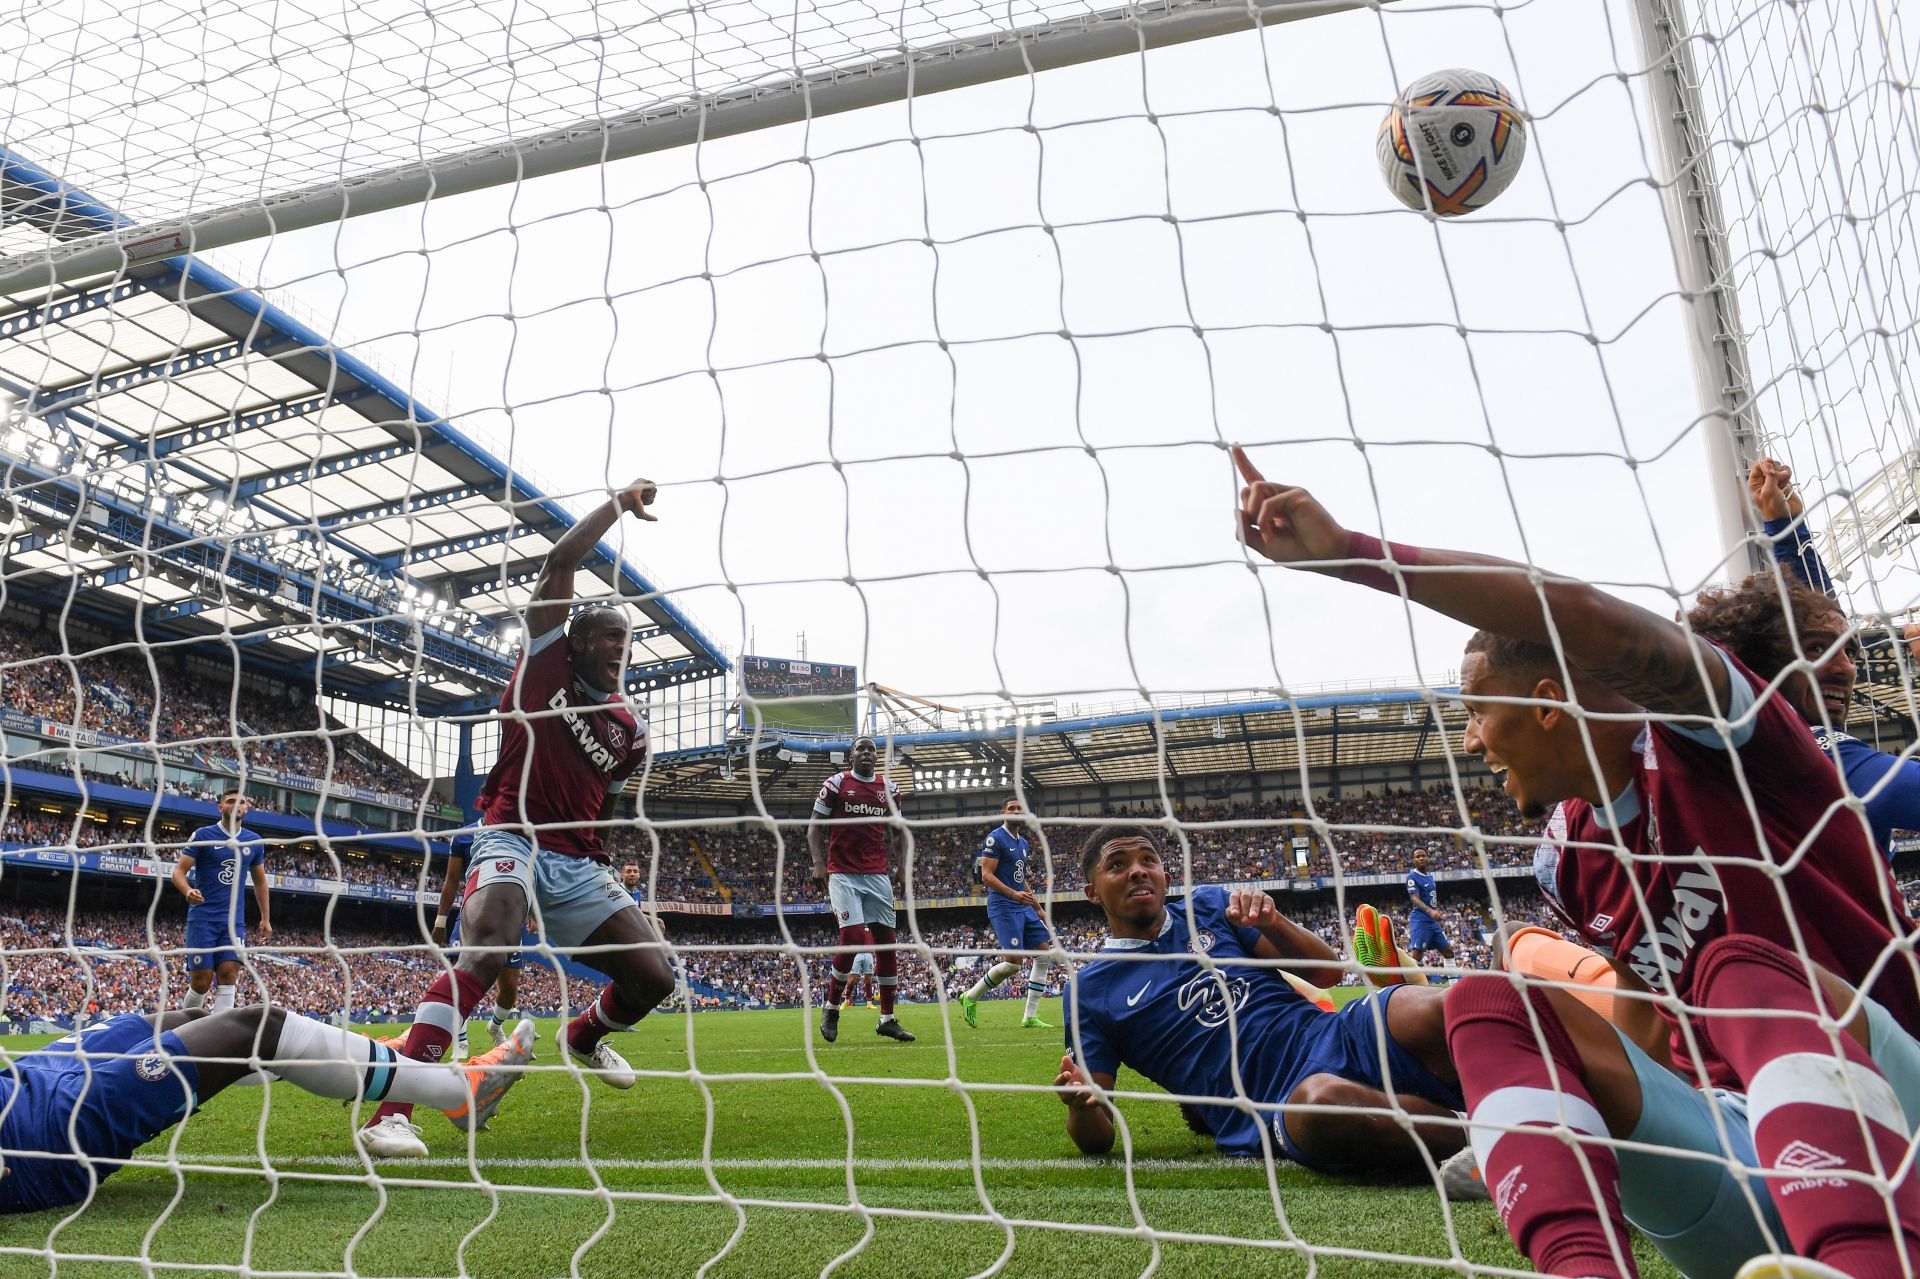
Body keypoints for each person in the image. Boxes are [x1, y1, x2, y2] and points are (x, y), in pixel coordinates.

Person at [1232, 447, 1920, 1278]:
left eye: (1477, 708)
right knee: (1489, 1003)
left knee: (1738, 970)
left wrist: (1356, 554)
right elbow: (1639, 1006)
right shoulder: (1568, 857)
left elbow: (1577, 611)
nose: (1470, 739)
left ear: (1548, 703)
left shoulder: (1727, 740)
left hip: (1894, 1118)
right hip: (1741, 1158)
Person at [358, 477, 674, 1160]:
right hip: (510, 834)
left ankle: (583, 1037)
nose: (620, 648)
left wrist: (597, 851)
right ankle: (393, 1111)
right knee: (490, 947)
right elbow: (559, 562)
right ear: (577, 641)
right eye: (607, 637)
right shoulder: (541, 667)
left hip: (576, 860)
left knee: (656, 977)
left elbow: (612, 791)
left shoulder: (629, 728)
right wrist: (619, 503)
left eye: (628, 639)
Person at [1053, 825, 1466, 1172]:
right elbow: (1097, 1138)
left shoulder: (1208, 907)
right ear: (1093, 892)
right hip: (1272, 1102)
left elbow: (1327, 974)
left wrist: (1274, 922)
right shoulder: (1087, 991)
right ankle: (1490, 1135)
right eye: (1118, 865)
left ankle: (1511, 1089)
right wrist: (1081, 1107)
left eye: (1148, 860)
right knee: (1324, 1104)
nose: (1138, 871)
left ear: (1165, 875)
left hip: (1333, 1032)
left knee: (1434, 1007)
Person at [0, 1005, 533, 1214]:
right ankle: (461, 1092)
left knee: (181, 1018)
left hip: (26, 1077)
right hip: (41, 1134)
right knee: (257, 1027)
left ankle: (381, 1058)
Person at [1681, 456, 1920, 859]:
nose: (1846, 667)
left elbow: (1809, 619)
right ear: (1761, 662)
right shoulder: (1817, 756)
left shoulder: (1732, 744)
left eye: (1849, 651)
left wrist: (1786, 531)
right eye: (1817, 650)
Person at [808, 735, 914, 1044]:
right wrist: (818, 862)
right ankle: (831, 1007)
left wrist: (902, 867)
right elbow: (814, 827)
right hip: (842, 874)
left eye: (872, 749)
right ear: (850, 755)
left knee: (886, 943)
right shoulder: (836, 783)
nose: (867, 753)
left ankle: (888, 1019)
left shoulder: (889, 789)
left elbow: (899, 833)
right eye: (861, 748)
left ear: (876, 756)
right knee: (853, 937)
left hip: (876, 875)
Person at [170, 789, 270, 1013]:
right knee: (201, 981)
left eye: (241, 802)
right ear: (220, 807)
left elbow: (260, 881)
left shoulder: (254, 841)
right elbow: (178, 872)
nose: (236, 805)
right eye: (230, 801)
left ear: (247, 808)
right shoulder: (203, 835)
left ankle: (219, 1037)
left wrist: (265, 918)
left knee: (229, 974)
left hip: (234, 922)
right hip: (203, 918)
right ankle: (185, 1028)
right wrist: (188, 891)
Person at [958, 799, 1055, 1029]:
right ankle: (970, 997)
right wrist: (1014, 894)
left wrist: (1038, 908)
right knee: (1013, 964)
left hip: (1022, 905)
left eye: (1020, 808)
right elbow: (987, 876)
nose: (1016, 811)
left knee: (1044, 955)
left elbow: (1021, 879)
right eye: (1012, 808)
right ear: (1003, 812)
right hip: (1003, 906)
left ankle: (1029, 1016)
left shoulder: (1023, 843)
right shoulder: (995, 838)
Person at [431, 832, 529, 1055]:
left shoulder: (519, 833)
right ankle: (461, 1040)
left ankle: (495, 1026)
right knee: (459, 976)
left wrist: (532, 911)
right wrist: (440, 921)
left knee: (509, 985)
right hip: (471, 915)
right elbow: (452, 879)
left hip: (509, 917)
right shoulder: (464, 836)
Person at [1401, 847, 1453, 974]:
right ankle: (1407, 984)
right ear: (1413, 860)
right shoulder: (1412, 877)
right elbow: (1414, 898)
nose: (1421, 858)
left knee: (1448, 952)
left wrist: (1435, 912)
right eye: (1417, 857)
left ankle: (1455, 986)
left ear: (1428, 857)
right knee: (1417, 954)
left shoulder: (1429, 877)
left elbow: (1431, 899)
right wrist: (1430, 911)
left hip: (1432, 922)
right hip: (1420, 919)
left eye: (1423, 855)